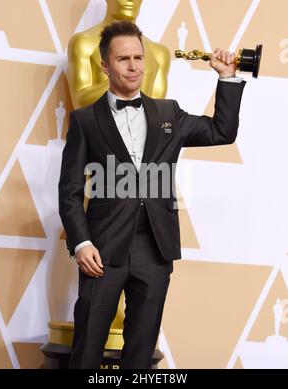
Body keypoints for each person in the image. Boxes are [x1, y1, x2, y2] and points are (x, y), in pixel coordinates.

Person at [58, 21, 246, 369]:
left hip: (155, 249)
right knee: (85, 354)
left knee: (140, 356)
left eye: (138, 58)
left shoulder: (169, 113)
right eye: (123, 59)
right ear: (104, 65)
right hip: (102, 250)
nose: (134, 67)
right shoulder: (85, 120)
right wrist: (82, 244)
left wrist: (226, 77)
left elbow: (222, 131)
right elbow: (69, 191)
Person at [67, 0, 170, 108]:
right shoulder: (84, 43)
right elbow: (80, 103)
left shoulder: (159, 54)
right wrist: (124, 81)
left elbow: (158, 113)